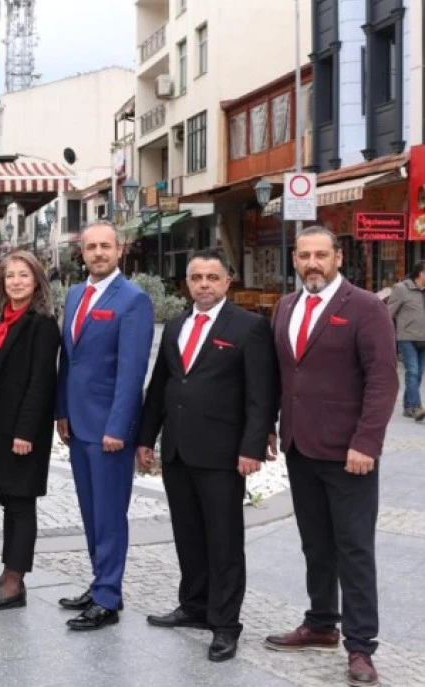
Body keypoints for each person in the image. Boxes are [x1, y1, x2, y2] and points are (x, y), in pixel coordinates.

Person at [263, 227, 398, 687]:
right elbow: (281, 375)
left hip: (349, 453)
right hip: (300, 447)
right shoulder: (285, 307)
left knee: (354, 550)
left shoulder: (366, 307)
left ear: (338, 257)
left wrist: (367, 443)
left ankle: (360, 647)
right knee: (316, 544)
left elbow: (382, 380)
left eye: (321, 254)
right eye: (304, 255)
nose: (312, 263)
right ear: (295, 260)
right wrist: (268, 426)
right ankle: (321, 623)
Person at [137, 250, 280, 662]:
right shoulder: (175, 325)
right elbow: (160, 386)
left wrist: (252, 447)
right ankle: (194, 605)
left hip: (223, 454)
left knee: (224, 542)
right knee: (188, 535)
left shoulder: (249, 327)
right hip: (178, 450)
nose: (204, 284)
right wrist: (146, 439)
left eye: (212, 277)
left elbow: (261, 393)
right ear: (187, 282)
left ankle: (225, 624)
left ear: (227, 281)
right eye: (196, 277)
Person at [55, 220, 153, 631]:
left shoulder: (133, 300)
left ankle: (108, 598)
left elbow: (132, 372)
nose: (98, 253)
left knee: (110, 514)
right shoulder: (75, 294)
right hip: (78, 423)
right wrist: (62, 411)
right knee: (91, 511)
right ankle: (101, 583)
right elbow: (69, 360)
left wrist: (119, 427)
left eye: (105, 247)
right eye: (91, 246)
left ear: (119, 250)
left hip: (109, 428)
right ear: (82, 252)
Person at [0, 250, 60, 612]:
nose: (16, 282)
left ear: (37, 281)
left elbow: (41, 383)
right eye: (10, 276)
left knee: (21, 504)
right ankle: (8, 571)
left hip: (21, 430)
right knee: (9, 501)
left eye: (24, 275)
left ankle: (15, 583)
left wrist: (26, 432)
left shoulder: (42, 324)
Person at [385, 261, 425, 419]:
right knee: (412, 372)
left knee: (418, 374)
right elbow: (388, 312)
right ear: (421, 274)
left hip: (424, 338)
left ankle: (408, 406)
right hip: (407, 337)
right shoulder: (401, 289)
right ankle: (416, 407)